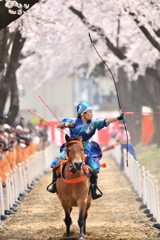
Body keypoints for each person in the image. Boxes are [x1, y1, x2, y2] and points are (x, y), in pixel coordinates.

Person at [48, 102, 125, 199]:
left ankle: (94, 189)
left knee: (93, 168)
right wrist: (65, 124)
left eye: (92, 112)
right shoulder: (73, 122)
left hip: (86, 148)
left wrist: (118, 118)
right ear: (83, 113)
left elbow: (105, 121)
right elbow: (58, 126)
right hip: (72, 148)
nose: (92, 114)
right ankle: (54, 184)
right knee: (56, 163)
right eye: (90, 112)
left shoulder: (93, 123)